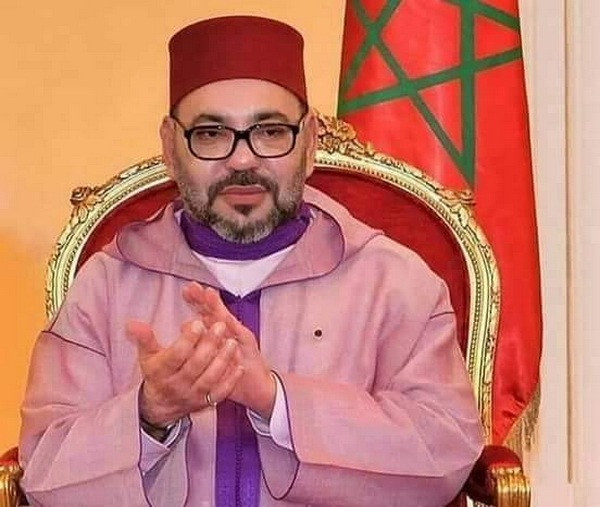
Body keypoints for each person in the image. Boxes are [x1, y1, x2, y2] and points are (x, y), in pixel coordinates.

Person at [19, 15, 484, 507]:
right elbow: (44, 473)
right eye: (211, 133)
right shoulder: (107, 285)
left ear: (309, 141)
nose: (242, 160)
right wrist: (149, 414)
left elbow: (446, 454)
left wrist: (276, 401)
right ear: (170, 147)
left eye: (270, 131)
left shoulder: (394, 281)